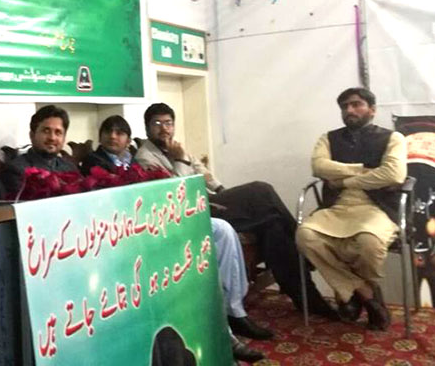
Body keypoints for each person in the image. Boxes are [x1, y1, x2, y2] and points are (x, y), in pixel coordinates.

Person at [87, 115, 272, 354]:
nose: (113, 137)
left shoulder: (134, 159)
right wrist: (181, 160)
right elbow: (177, 187)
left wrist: (216, 189)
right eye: (108, 132)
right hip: (140, 228)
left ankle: (234, 309)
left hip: (169, 215)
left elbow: (198, 177)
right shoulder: (107, 161)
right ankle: (224, 333)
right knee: (261, 196)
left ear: (128, 139)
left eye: (119, 133)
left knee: (226, 230)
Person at [134, 103, 337, 319]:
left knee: (274, 225)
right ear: (147, 128)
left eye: (168, 123)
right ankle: (303, 249)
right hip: (190, 213)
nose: (164, 129)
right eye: (157, 124)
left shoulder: (175, 147)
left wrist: (228, 194)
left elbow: (204, 174)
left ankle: (306, 297)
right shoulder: (144, 157)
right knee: (262, 190)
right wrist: (181, 159)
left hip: (210, 202)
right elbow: (177, 192)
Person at [296, 88, 406, 330]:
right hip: (337, 207)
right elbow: (319, 167)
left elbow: (394, 174)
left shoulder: (393, 138)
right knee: (305, 235)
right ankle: (366, 293)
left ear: (372, 110)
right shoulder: (328, 138)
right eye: (345, 106)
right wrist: (362, 169)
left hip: (376, 208)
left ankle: (347, 294)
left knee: (369, 243)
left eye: (356, 104)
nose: (349, 110)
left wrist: (344, 181)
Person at [0, 105, 78, 197]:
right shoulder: (16, 170)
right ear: (32, 135)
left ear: (64, 138)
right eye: (46, 131)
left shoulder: (70, 168)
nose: (52, 138)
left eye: (58, 132)